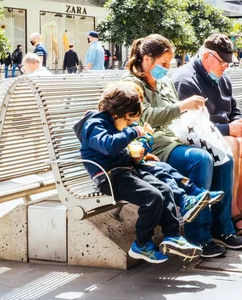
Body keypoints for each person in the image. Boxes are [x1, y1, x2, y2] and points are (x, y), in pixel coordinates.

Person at [121, 34, 242, 255]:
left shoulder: (164, 81)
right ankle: (199, 236)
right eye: (163, 63)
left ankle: (223, 229)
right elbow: (145, 117)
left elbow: (177, 116)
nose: (167, 68)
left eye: (169, 63)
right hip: (155, 146)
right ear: (147, 59)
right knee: (201, 159)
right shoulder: (130, 85)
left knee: (223, 157)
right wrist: (182, 106)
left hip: (178, 139)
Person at [73, 83, 203, 263]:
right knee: (153, 197)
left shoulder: (113, 123)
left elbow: (119, 151)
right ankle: (142, 244)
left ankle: (173, 235)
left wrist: (138, 155)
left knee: (164, 190)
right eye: (128, 120)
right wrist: (134, 131)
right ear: (116, 111)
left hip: (126, 171)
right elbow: (108, 146)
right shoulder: (94, 124)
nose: (130, 124)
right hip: (110, 178)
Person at [173, 34, 242, 240]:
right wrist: (229, 130)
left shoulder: (222, 76)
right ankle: (231, 214)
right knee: (232, 142)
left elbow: (234, 109)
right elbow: (191, 125)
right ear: (206, 56)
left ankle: (240, 209)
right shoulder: (185, 80)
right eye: (223, 62)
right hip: (198, 139)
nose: (226, 66)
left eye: (229, 63)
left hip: (221, 133)